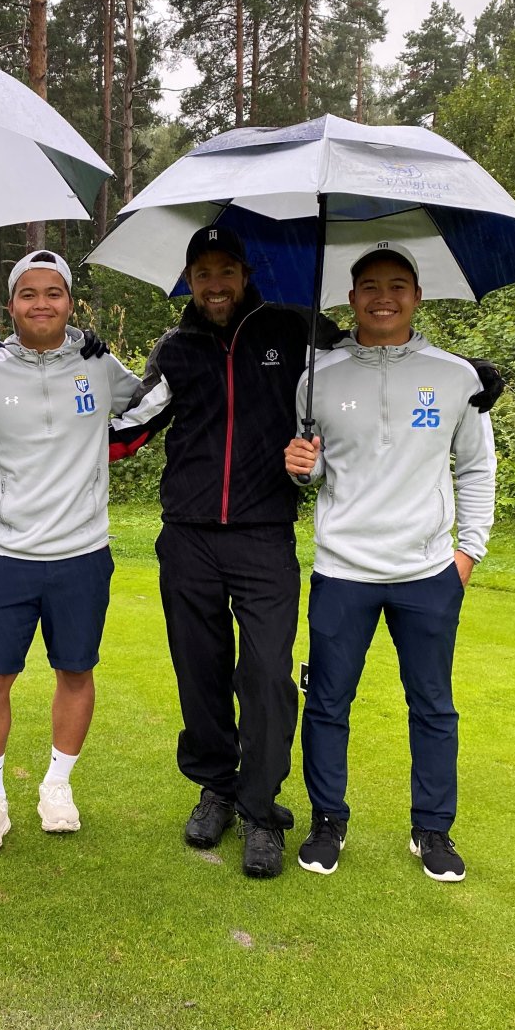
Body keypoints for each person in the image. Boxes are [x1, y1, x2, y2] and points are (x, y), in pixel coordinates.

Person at [109, 224, 348, 879]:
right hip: (187, 536)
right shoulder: (177, 348)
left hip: (263, 533)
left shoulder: (295, 331)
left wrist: (471, 378)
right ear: (190, 281)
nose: (214, 285)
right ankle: (217, 785)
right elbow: (130, 426)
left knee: (268, 675)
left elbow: (371, 367)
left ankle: (262, 808)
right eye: (202, 273)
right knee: (200, 670)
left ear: (245, 274)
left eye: (225, 271)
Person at [284, 243, 496, 883]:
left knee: (432, 705)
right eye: (369, 285)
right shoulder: (316, 375)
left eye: (397, 285)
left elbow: (476, 466)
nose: (383, 296)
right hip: (342, 569)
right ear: (350, 300)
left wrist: (467, 552)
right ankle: (328, 819)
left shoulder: (457, 376)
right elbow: (316, 467)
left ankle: (432, 830)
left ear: (417, 297)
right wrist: (303, 467)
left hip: (427, 571)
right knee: (326, 701)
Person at [0, 251, 141, 851]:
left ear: (70, 302)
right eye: (29, 293)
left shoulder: (99, 365)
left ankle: (57, 786)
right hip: (6, 554)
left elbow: (148, 407)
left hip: (82, 552)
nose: (42, 304)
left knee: (76, 671)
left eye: (55, 292)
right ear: (9, 305)